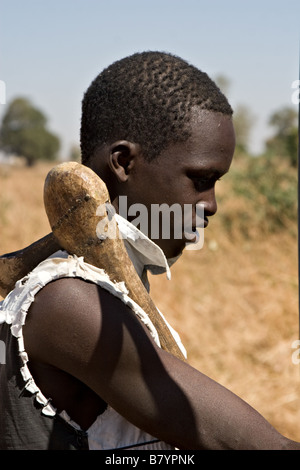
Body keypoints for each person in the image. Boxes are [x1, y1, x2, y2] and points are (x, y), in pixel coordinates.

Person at [0, 51, 299, 450]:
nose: (211, 204)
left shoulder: (106, 287)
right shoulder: (69, 301)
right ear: (123, 162)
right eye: (201, 179)